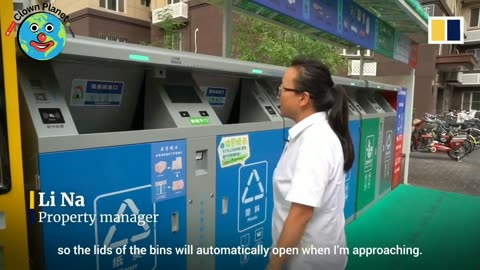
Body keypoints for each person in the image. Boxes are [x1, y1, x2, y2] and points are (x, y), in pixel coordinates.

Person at [267, 57, 354, 270]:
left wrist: (274, 265)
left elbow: (300, 214)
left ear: (303, 98)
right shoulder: (312, 134)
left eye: (283, 88)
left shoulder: (315, 142)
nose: (278, 93)